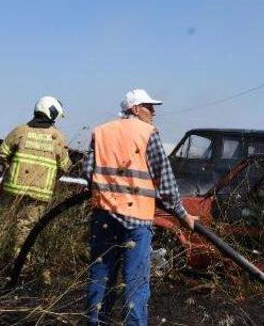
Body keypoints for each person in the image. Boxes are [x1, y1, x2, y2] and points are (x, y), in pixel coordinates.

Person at [84, 89, 197, 326]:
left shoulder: (101, 132)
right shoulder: (147, 134)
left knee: (100, 280)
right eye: (149, 106)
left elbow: (88, 171)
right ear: (135, 109)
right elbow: (165, 181)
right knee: (135, 283)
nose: (153, 112)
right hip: (136, 221)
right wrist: (183, 214)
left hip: (104, 217)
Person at [0, 95, 71, 269]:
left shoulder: (19, 131)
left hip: (12, 190)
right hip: (39, 195)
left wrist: (11, 170)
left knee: (0, 227)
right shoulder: (57, 137)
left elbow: (3, 154)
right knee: (25, 231)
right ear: (52, 113)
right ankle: (19, 271)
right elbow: (65, 166)